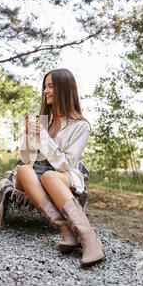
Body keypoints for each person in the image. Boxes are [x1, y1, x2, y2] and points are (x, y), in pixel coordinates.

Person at [16, 68, 105, 267]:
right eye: (45, 87)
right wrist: (29, 135)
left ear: (64, 89)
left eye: (50, 87)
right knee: (22, 170)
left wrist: (44, 137)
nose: (45, 91)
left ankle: (88, 238)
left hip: (63, 175)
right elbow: (26, 157)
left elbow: (66, 164)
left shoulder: (80, 126)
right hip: (35, 172)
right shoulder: (43, 121)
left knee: (50, 176)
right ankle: (65, 228)